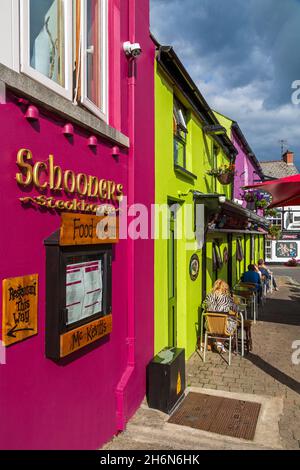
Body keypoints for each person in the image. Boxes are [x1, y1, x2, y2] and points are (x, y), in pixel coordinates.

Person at [203, 280, 238, 353]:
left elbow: (204, 306)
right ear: (225, 288)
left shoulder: (209, 296)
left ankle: (219, 344)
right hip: (224, 327)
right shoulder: (227, 298)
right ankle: (219, 344)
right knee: (232, 322)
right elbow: (235, 309)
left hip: (209, 326)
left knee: (221, 323)